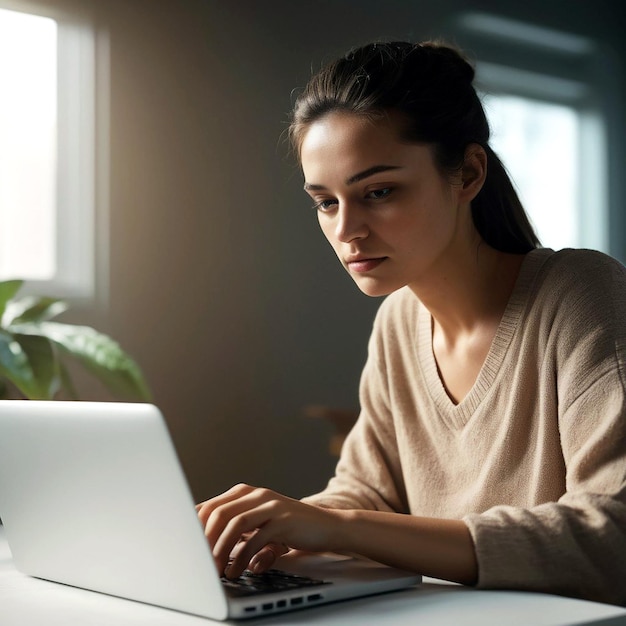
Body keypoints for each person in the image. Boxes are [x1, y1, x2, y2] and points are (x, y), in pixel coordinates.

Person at [196, 40, 626, 605]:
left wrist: (337, 529)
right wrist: (266, 530)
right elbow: (365, 496)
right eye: (326, 202)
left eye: (378, 192)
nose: (347, 229)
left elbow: (612, 538)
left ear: (468, 173)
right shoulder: (398, 321)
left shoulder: (580, 294)